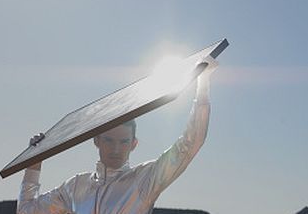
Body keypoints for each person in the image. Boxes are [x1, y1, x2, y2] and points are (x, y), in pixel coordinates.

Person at [17, 60, 216, 214]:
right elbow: (26, 211)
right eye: (109, 141)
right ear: (96, 141)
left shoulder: (144, 180)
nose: (115, 149)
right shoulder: (75, 186)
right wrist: (34, 162)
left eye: (123, 142)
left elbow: (190, 143)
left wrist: (203, 82)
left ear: (134, 144)